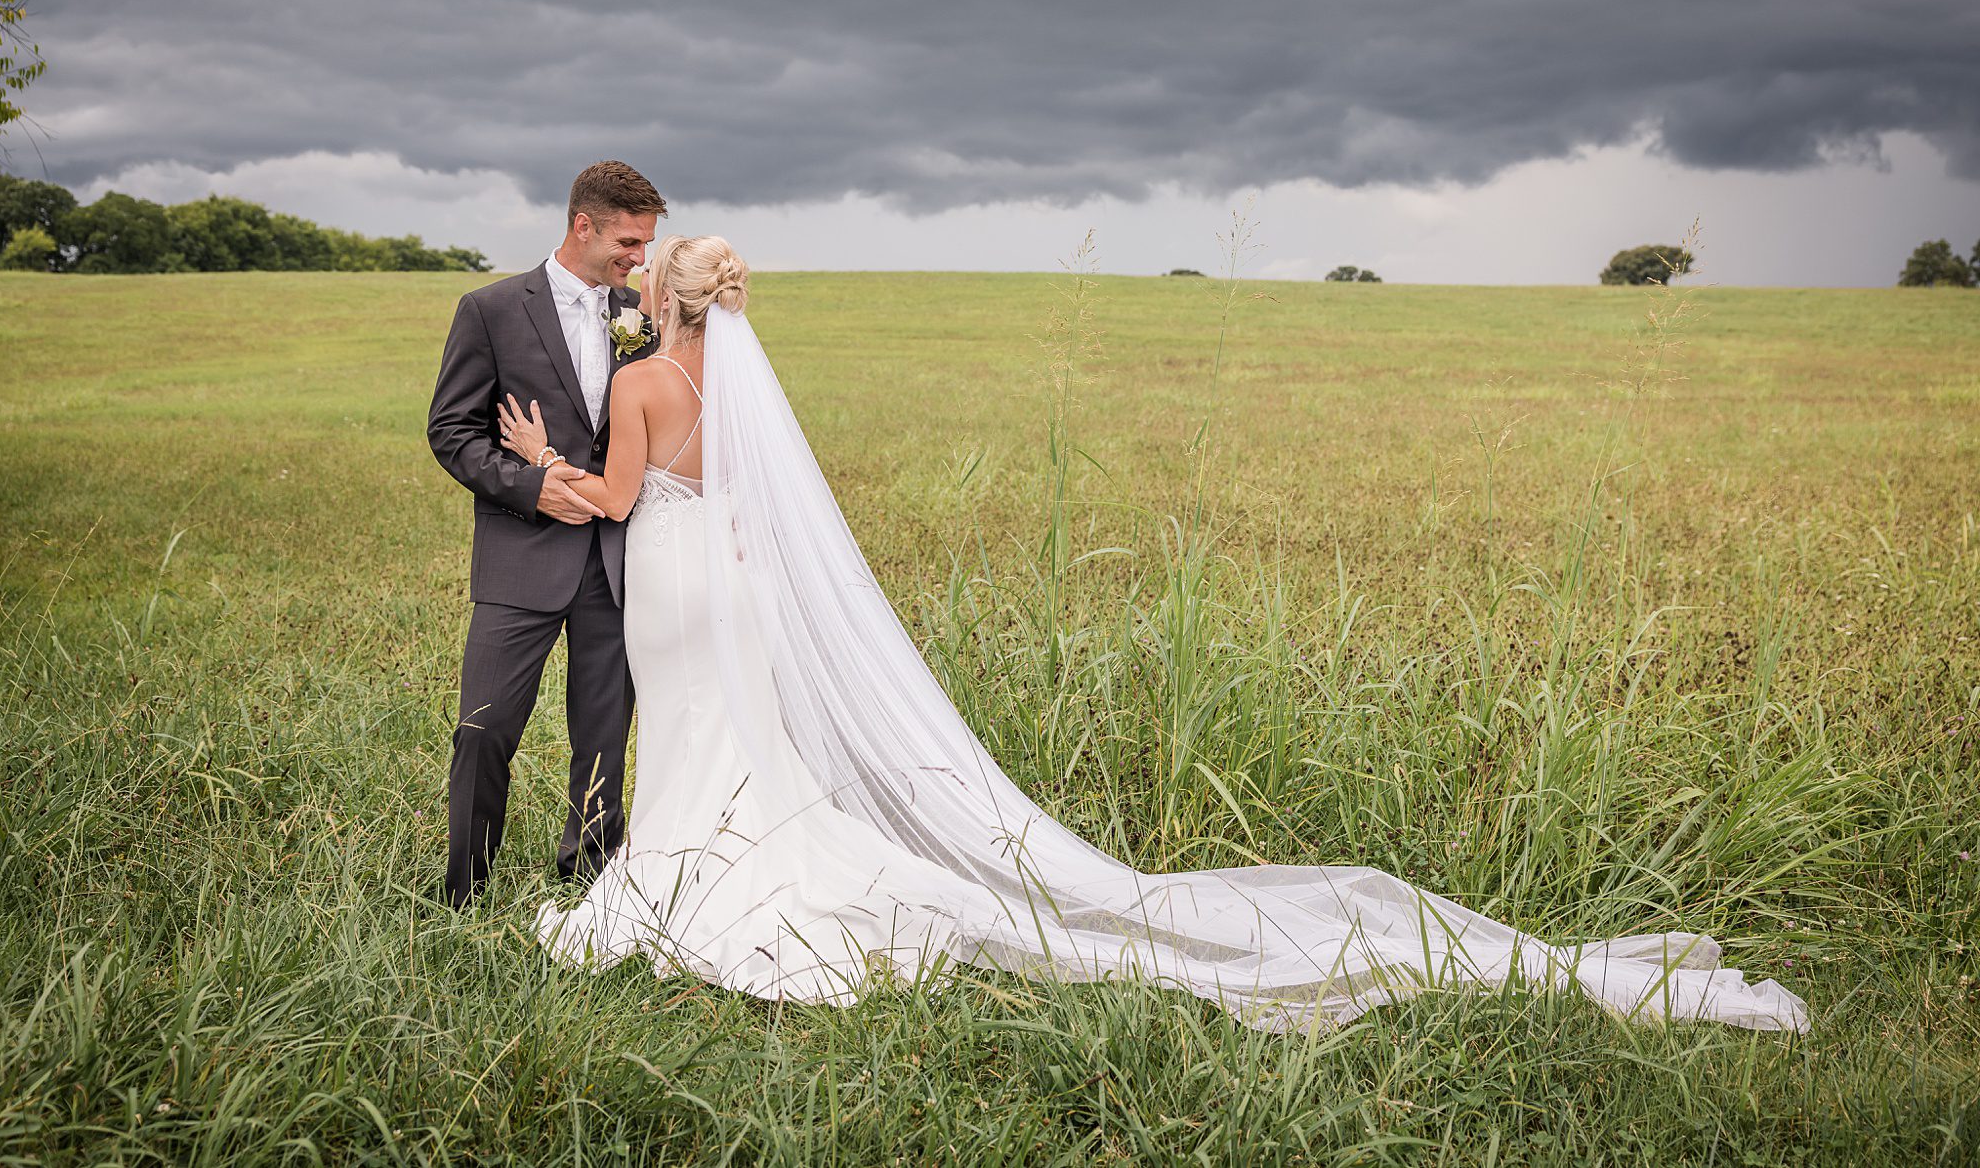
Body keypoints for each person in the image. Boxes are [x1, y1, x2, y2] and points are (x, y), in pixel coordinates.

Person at [495, 235, 1811, 1034]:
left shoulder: (649, 384)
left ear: (660, 297)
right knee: (750, 728)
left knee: (685, 720)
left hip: (669, 578)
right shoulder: (742, 390)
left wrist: (544, 454)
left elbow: (615, 500)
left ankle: (685, 872)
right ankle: (730, 848)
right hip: (739, 578)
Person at [426, 160, 665, 908]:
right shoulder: (491, 308)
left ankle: (592, 883)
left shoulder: (644, 316)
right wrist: (533, 487)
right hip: (519, 557)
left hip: (615, 563)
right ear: (582, 225)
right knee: (484, 727)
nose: (641, 258)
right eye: (629, 241)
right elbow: (452, 431)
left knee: (603, 734)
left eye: (648, 243)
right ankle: (466, 888)